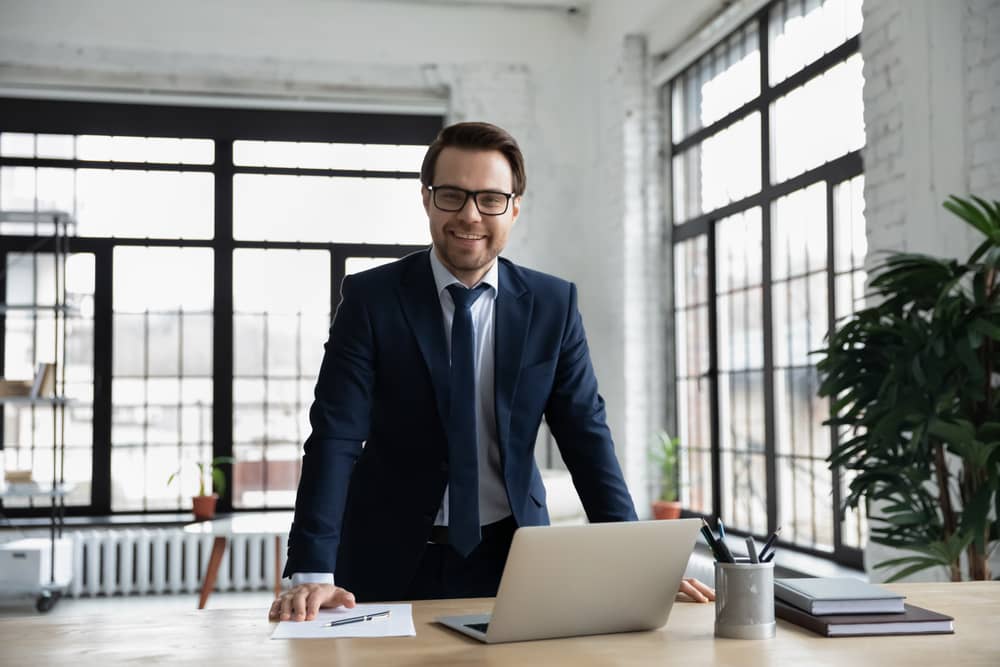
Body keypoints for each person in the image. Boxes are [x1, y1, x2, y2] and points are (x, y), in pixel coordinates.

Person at [269, 121, 714, 622]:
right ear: (426, 199)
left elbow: (586, 436)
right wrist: (311, 571)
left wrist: (639, 564)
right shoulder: (372, 301)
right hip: (385, 556)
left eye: (490, 199)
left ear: (515, 207)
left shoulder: (553, 305)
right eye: (452, 196)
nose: (469, 216)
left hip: (516, 557)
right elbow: (335, 436)